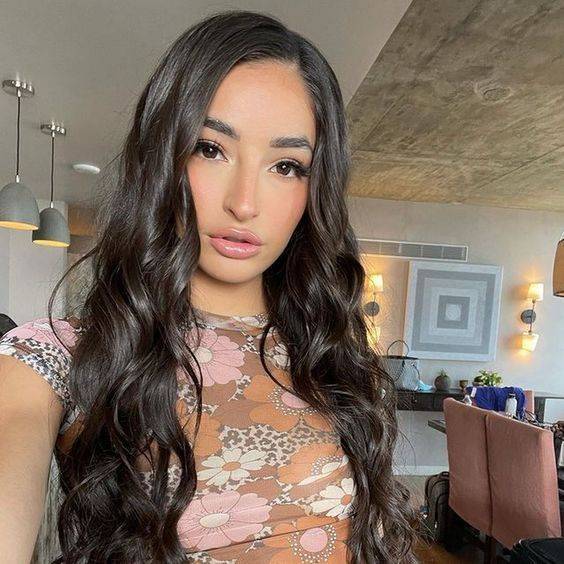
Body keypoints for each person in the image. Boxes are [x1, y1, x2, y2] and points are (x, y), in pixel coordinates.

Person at [0, 9, 418, 563]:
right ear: (163, 159)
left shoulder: (333, 356)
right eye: (210, 148)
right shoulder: (57, 358)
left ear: (315, 187)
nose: (244, 203)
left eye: (286, 166)